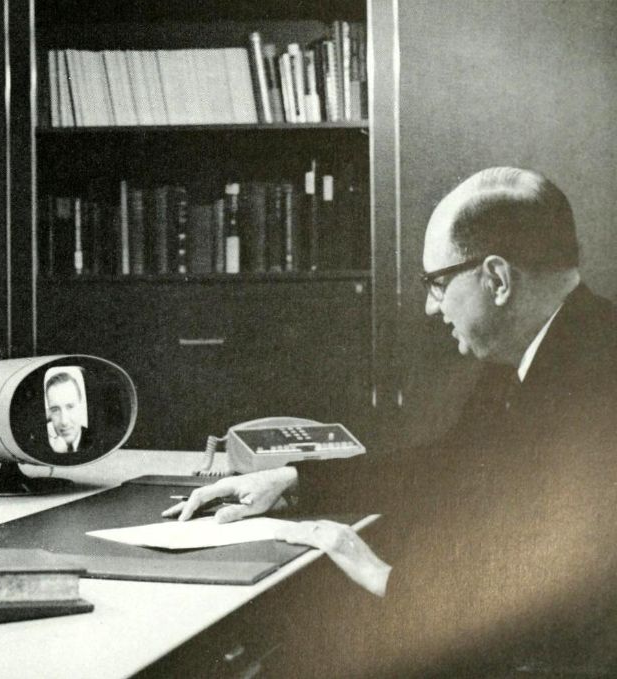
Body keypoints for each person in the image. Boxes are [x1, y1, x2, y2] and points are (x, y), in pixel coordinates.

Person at [164, 168, 617, 677]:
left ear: (497, 279)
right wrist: (292, 480)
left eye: (437, 284)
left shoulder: (599, 386)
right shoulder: (545, 350)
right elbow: (447, 464)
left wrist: (381, 575)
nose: (430, 307)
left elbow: (557, 595)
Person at [45, 371, 91, 453]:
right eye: (55, 409)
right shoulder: (48, 446)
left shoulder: (96, 441)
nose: (64, 421)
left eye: (70, 407)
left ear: (81, 407)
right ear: (49, 413)